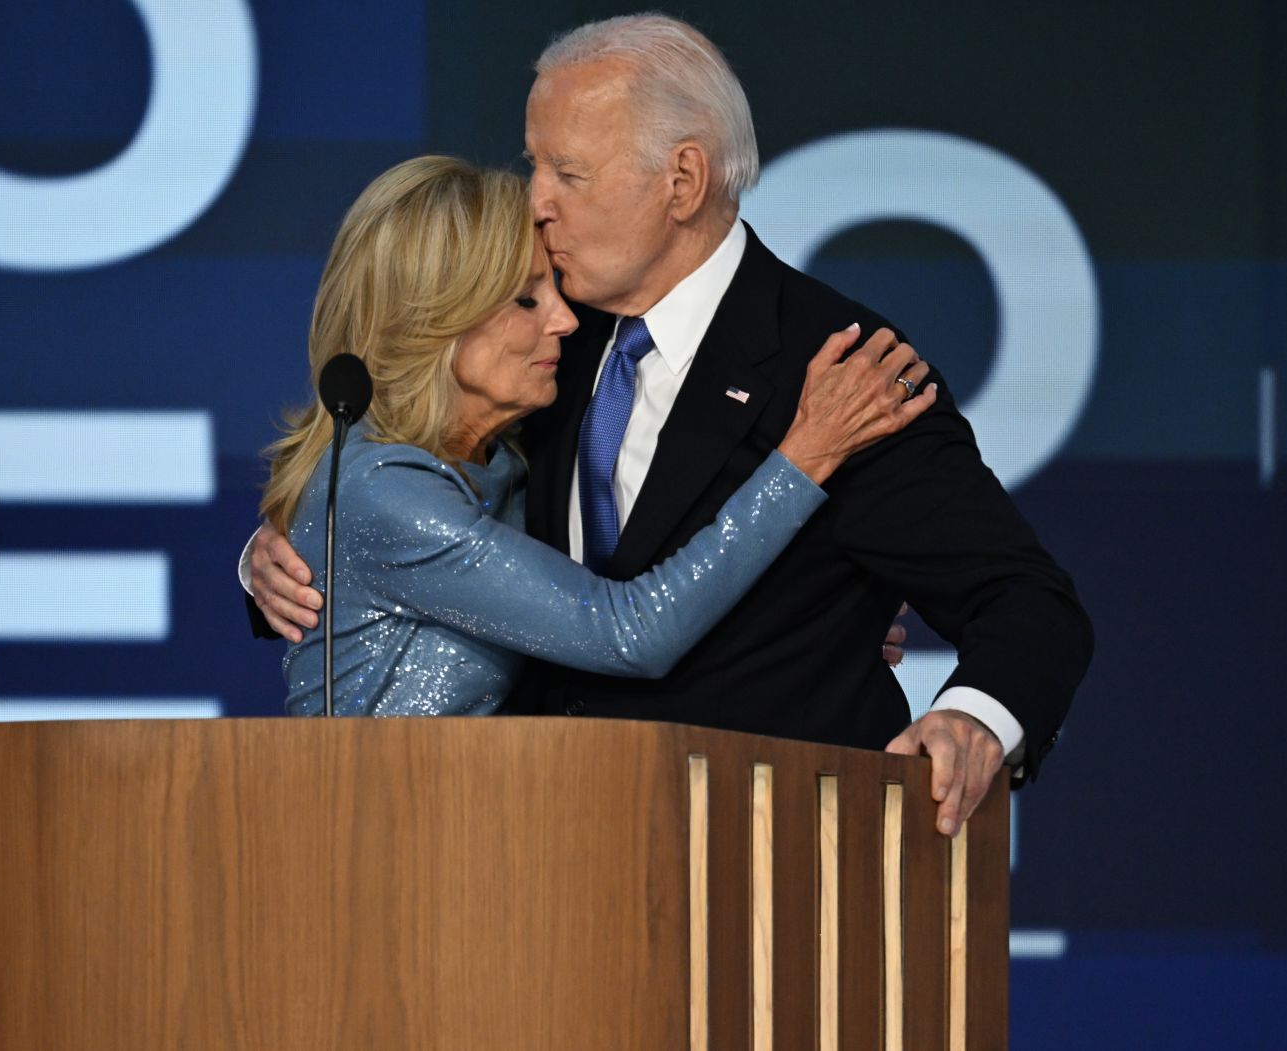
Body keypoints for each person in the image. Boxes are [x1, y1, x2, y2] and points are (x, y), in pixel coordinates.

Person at [249, 15, 1092, 837]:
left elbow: (1026, 601)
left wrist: (974, 721)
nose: (535, 202)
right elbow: (415, 482)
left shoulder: (841, 376)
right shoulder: (538, 340)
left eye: (567, 174)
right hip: (527, 874)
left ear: (681, 181)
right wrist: (278, 556)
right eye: (534, 164)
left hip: (760, 875)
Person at [260, 155, 935, 715]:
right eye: (527, 299)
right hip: (365, 850)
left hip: (476, 833)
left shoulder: (509, 466)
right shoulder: (383, 490)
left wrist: (812, 627)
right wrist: (803, 459)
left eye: (554, 287)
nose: (565, 319)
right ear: (432, 320)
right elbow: (627, 629)